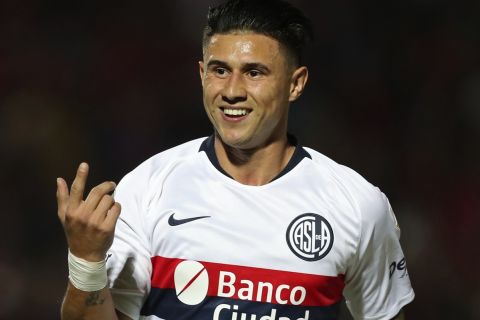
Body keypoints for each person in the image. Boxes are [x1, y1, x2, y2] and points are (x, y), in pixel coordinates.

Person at [56, 0, 415, 319]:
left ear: (296, 84)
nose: (232, 91)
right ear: (201, 74)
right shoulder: (147, 189)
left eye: (254, 72)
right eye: (220, 70)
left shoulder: (357, 205)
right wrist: (86, 261)